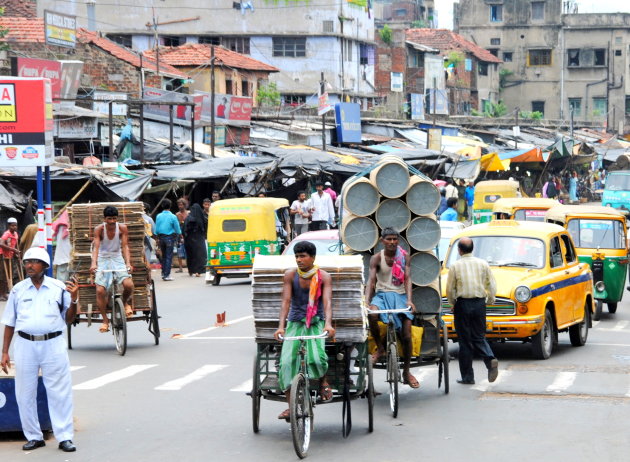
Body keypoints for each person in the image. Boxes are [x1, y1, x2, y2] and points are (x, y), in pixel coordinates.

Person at [1, 247, 79, 452]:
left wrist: (74, 299)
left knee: (59, 392)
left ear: (44, 266)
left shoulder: (59, 287)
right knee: (24, 392)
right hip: (25, 344)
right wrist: (4, 352)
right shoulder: (18, 290)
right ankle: (34, 436)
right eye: (27, 262)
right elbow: (9, 322)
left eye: (34, 262)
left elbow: (69, 319)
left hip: (53, 344)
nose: (29, 265)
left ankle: (64, 436)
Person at [273, 241, 335, 421]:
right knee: (286, 363)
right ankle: (290, 405)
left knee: (317, 357)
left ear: (313, 258)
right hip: (294, 323)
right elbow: (285, 302)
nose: (299, 260)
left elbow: (327, 302)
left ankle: (323, 381)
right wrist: (280, 326)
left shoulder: (324, 276)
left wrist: (328, 324)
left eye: (303, 256)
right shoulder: (290, 275)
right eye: (297, 256)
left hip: (316, 322)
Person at [365, 228, 419, 389]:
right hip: (382, 296)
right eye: (388, 239)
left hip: (400, 296)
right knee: (372, 315)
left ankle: (406, 371)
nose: (392, 242)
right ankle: (380, 348)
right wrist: (367, 302)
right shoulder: (376, 258)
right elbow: (371, 281)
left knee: (407, 334)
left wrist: (409, 300)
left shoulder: (404, 257)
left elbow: (408, 279)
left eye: (395, 239)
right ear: (382, 241)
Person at [445, 237, 499, 385]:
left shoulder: (455, 266)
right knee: (479, 336)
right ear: (472, 249)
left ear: (459, 250)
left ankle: (468, 377)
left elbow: (450, 289)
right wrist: (489, 300)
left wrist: (452, 303)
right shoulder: (483, 264)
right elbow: (491, 284)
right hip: (479, 303)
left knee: (465, 341)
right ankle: (489, 359)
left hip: (463, 304)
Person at [90, 206, 135, 333]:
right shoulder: (99, 229)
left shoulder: (122, 228)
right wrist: (94, 263)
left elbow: (125, 246)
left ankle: (125, 302)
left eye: (114, 218)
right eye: (109, 219)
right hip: (103, 259)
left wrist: (128, 263)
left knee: (129, 285)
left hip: (117, 258)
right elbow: (96, 248)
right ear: (104, 219)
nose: (112, 221)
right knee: (100, 290)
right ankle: (105, 320)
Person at [155, 199, 181, 282]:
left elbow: (156, 229)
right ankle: (167, 275)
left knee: (164, 256)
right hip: (169, 238)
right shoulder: (173, 216)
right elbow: (177, 228)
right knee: (169, 256)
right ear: (170, 206)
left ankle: (163, 273)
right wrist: (179, 234)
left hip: (161, 238)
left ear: (162, 206)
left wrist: (157, 238)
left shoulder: (158, 216)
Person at [183, 204, 207, 277]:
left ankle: (191, 271)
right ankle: (198, 272)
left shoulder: (188, 218)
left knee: (191, 255)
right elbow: (205, 228)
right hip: (199, 239)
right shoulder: (202, 218)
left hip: (189, 240)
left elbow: (184, 229)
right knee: (200, 255)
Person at [0, 217, 21, 301]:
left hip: (10, 255)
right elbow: (1, 243)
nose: (14, 227)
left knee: (8, 275)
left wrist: (16, 253)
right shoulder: (6, 233)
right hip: (3, 255)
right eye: (12, 226)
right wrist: (12, 249)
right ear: (9, 226)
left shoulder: (15, 234)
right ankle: (1, 294)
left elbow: (15, 245)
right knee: (2, 275)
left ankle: (5, 293)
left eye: (15, 226)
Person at [52, 211, 71, 283]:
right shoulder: (64, 226)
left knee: (62, 281)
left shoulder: (58, 224)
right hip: (64, 258)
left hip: (63, 257)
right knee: (63, 281)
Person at [174, 198, 189, 273]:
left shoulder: (188, 213)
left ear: (184, 205)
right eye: (179, 205)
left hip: (187, 233)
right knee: (179, 250)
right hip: (179, 234)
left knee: (188, 250)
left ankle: (189, 266)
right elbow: (176, 225)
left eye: (181, 204)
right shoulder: (177, 214)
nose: (180, 206)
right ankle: (180, 267)